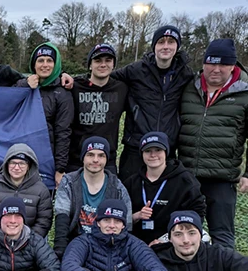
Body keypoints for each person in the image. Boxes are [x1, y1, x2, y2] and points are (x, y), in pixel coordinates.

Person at [177, 38, 248, 249]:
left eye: (223, 64)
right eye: (211, 63)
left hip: (222, 179)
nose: (216, 69)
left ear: (233, 65)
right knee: (185, 234)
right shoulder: (189, 88)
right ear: (204, 63)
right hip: (187, 176)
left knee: (222, 236)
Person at [114, 26, 194, 181]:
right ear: (154, 46)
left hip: (166, 150)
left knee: (164, 201)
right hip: (136, 148)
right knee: (129, 198)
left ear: (177, 46)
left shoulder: (186, 74)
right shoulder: (136, 70)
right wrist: (71, 79)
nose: (166, 46)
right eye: (161, 42)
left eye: (171, 42)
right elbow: (103, 77)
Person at [54, 136, 132, 259]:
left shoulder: (117, 186)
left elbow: (127, 223)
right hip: (75, 243)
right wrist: (60, 252)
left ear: (106, 159)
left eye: (101, 155)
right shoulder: (69, 182)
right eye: (90, 154)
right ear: (83, 158)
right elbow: (62, 216)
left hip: (106, 246)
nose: (96, 160)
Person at [123, 132, 205, 245]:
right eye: (148, 151)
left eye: (158, 150)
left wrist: (166, 240)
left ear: (166, 152)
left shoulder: (185, 181)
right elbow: (119, 218)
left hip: (173, 244)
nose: (153, 155)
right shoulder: (132, 182)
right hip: (136, 244)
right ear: (141, 154)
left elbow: (197, 214)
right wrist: (136, 216)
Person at [67, 43, 128, 173]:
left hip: (107, 160)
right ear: (90, 65)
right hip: (77, 160)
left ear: (113, 65)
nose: (103, 65)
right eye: (98, 60)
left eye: (108, 60)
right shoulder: (75, 87)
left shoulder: (122, 89)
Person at [22, 42, 74, 186]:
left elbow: (63, 132)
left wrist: (60, 168)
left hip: (46, 160)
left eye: (49, 60)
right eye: (40, 60)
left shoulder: (63, 93)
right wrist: (25, 86)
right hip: (20, 158)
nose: (45, 65)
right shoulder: (22, 85)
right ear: (34, 64)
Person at [0, 144, 52, 238]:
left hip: (29, 244)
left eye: (21, 163)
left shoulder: (41, 189)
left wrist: (29, 241)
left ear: (29, 166)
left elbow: (44, 221)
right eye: (13, 163)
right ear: (6, 164)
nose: (16, 168)